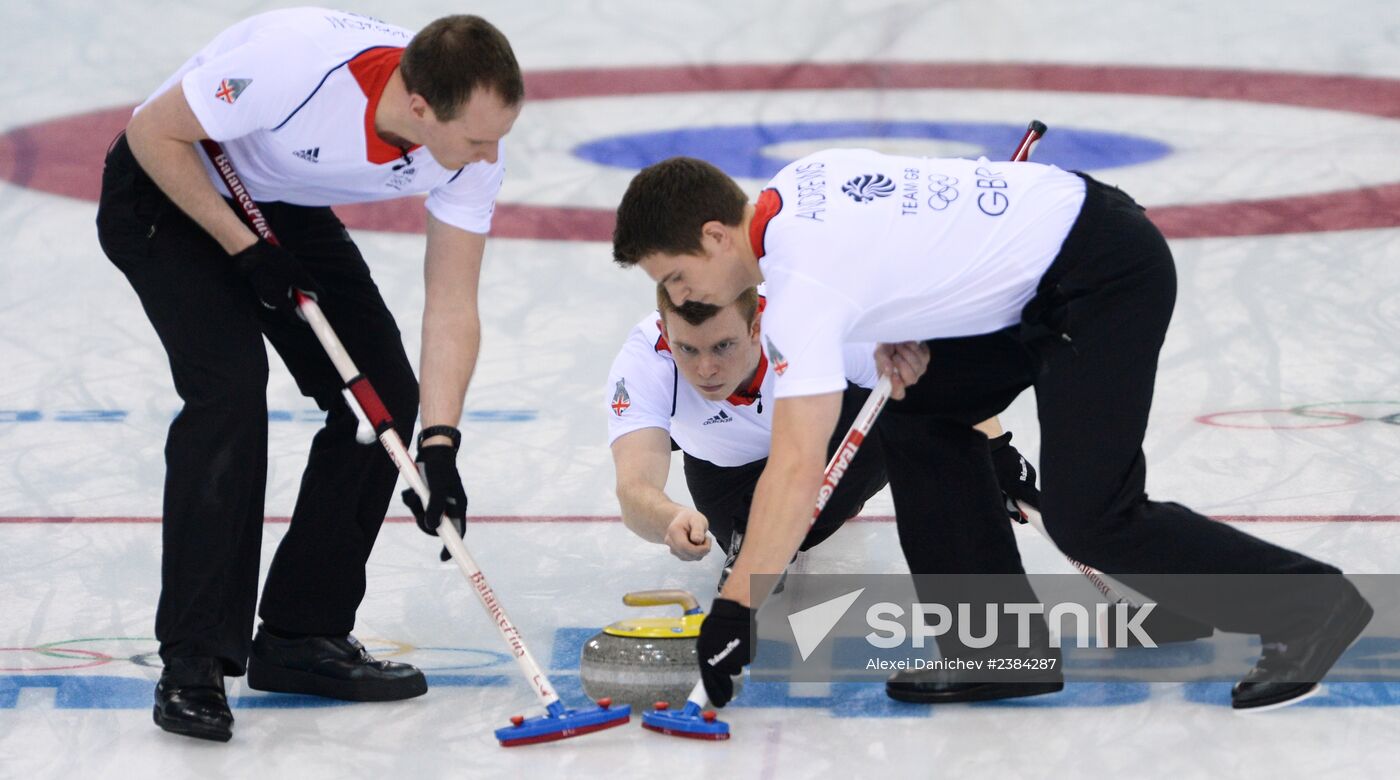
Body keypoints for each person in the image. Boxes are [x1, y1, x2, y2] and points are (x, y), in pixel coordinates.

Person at [610, 152, 1372, 711]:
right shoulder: (793, 186)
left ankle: (1309, 605)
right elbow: (925, 232)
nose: (679, 295)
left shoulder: (802, 287)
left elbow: (797, 466)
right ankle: (995, 646)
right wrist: (907, 324)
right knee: (918, 404)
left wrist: (737, 607)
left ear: (714, 236)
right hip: (1050, 262)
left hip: (1101, 278)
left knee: (1093, 516)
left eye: (676, 276)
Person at [95, 8, 522, 742]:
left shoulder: (472, 148)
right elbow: (150, 134)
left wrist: (441, 446)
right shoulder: (294, 66)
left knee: (383, 393)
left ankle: (301, 633)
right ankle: (194, 659)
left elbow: (452, 302)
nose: (489, 157)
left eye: (499, 136)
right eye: (476, 139)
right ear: (419, 106)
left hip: (274, 201)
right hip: (168, 186)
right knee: (228, 387)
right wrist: (241, 248)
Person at [607, 284, 1074, 703]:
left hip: (835, 445)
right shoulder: (647, 359)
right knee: (756, 513)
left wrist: (994, 454)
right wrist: (669, 517)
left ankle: (996, 645)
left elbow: (923, 386)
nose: (705, 368)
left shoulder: (806, 320)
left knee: (902, 410)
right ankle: (760, 536)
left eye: (723, 346)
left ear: (755, 326)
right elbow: (635, 487)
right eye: (687, 349)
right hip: (732, 487)